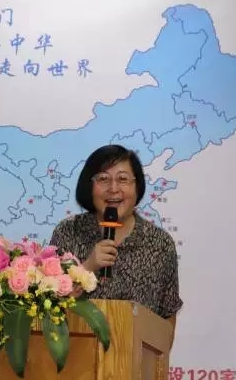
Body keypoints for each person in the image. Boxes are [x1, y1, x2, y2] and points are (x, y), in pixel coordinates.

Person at [49, 144, 183, 344]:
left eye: (123, 179)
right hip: (77, 356)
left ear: (137, 186)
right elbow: (48, 304)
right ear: (89, 186)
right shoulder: (69, 232)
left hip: (134, 358)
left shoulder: (160, 244)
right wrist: (87, 268)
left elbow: (167, 316)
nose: (113, 189)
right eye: (103, 179)